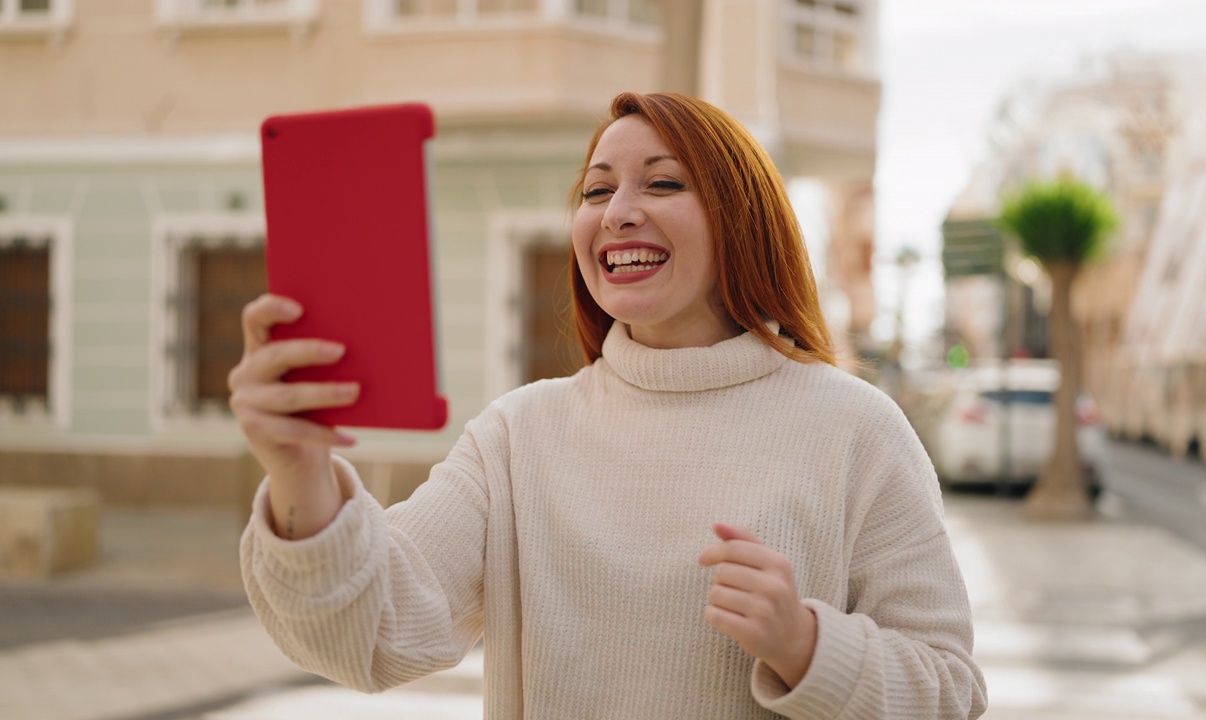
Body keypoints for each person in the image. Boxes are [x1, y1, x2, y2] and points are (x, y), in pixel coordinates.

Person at [231, 91, 987, 719]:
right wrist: (301, 475)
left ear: (742, 222)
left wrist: (806, 644)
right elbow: (373, 638)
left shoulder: (855, 428)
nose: (618, 211)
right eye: (597, 190)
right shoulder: (518, 437)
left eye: (662, 183)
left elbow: (950, 691)